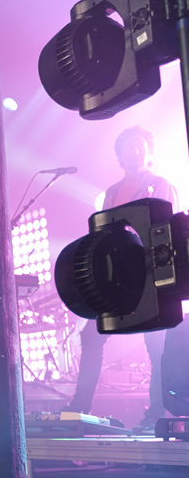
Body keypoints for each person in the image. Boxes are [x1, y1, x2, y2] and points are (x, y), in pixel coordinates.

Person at [66, 126, 178, 431]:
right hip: (116, 278)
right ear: (119, 156)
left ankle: (158, 413)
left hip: (150, 276)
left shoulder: (161, 185)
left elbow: (167, 230)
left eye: (141, 147)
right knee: (91, 335)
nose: (136, 152)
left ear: (150, 153)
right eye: (129, 148)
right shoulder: (112, 192)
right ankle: (79, 407)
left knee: (156, 344)